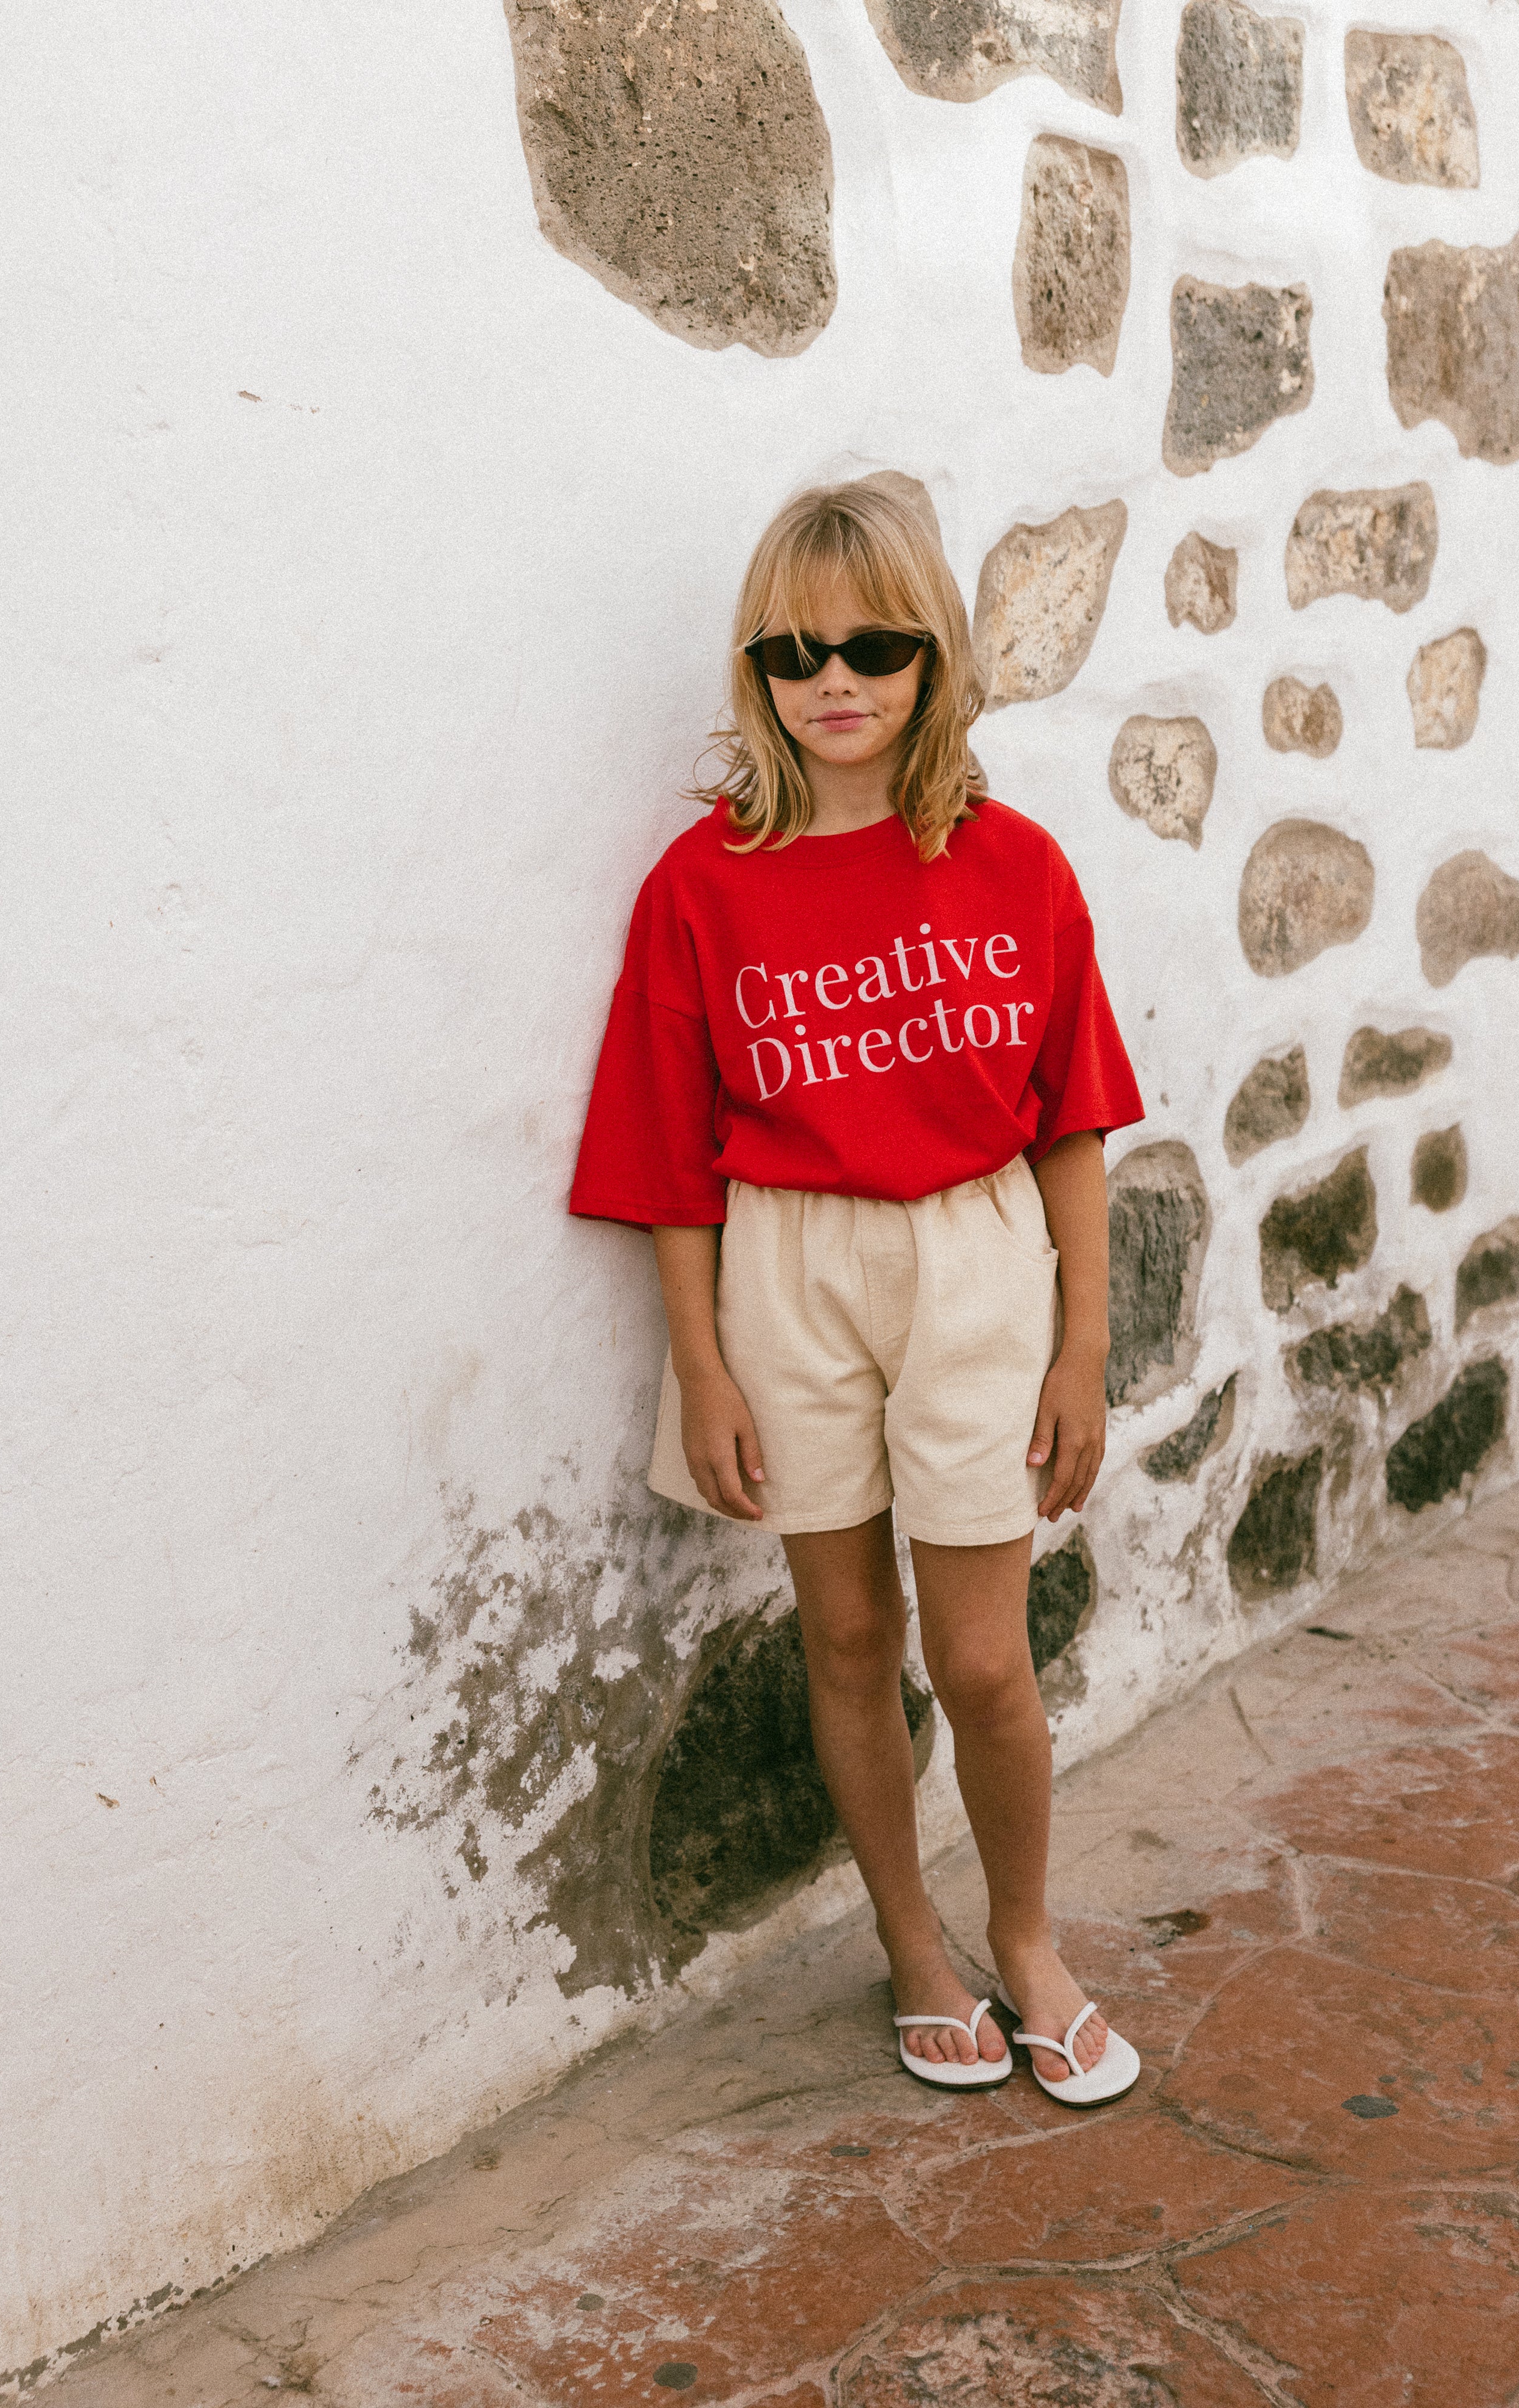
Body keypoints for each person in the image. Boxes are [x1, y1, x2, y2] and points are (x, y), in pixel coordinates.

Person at [570, 481, 1146, 2105]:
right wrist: (701, 1366)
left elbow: (1072, 1120)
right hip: (788, 1266)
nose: (835, 681)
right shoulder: (700, 887)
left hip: (973, 1260)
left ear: (932, 657)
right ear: (756, 669)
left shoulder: (1014, 865)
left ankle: (1025, 1939)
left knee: (982, 1660)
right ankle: (913, 1945)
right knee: (842, 1633)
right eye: (795, 652)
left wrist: (1082, 1346)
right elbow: (668, 1154)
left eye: (875, 647)